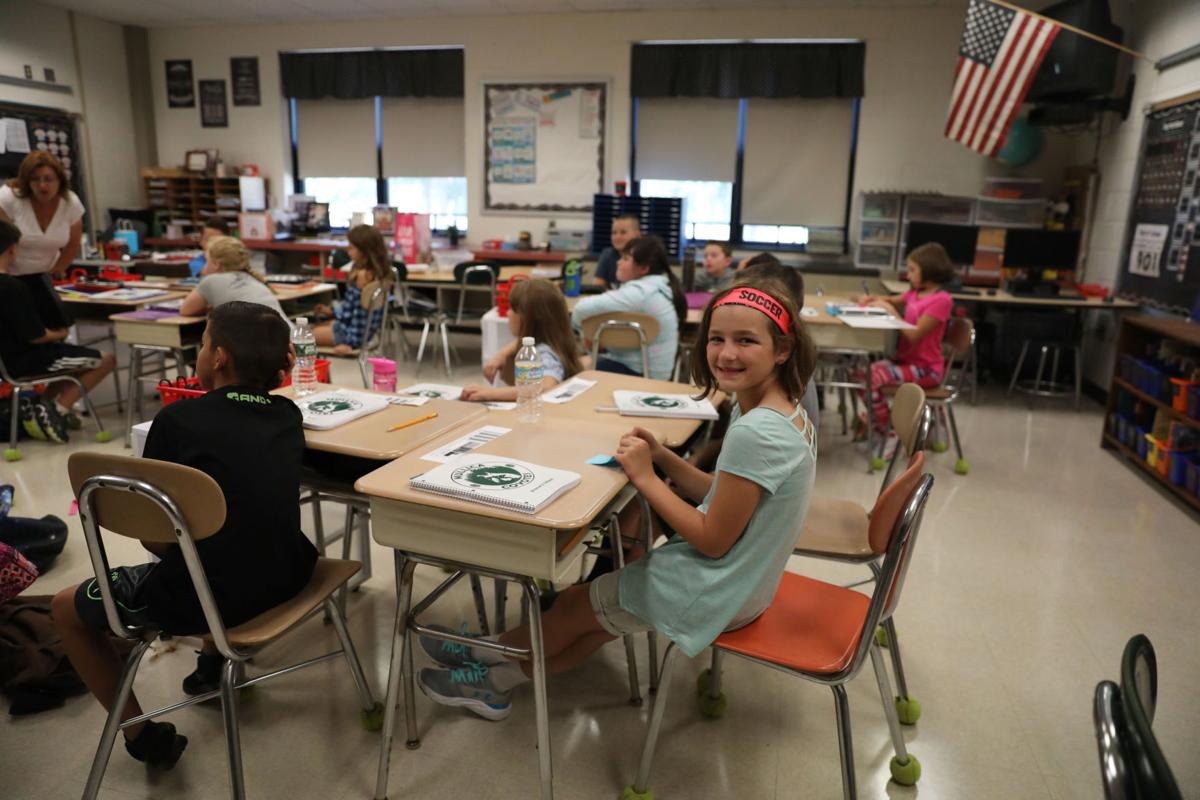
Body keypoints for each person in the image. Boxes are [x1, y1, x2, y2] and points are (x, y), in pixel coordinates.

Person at [415, 278, 817, 720]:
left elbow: (713, 539)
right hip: (745, 582)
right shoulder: (776, 410)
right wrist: (663, 456)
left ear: (782, 349)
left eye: (746, 341)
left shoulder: (756, 431)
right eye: (716, 339)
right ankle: (493, 674)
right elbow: (721, 493)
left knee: (572, 606)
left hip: (718, 587)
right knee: (595, 625)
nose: (726, 353)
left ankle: (485, 658)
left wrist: (646, 477)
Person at [50, 301, 317, 769]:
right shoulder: (287, 415)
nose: (201, 351)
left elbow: (156, 541)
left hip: (209, 599)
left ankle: (140, 736)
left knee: (64, 607)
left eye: (205, 343)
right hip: (288, 576)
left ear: (220, 357)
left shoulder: (177, 421)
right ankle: (210, 666)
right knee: (225, 545)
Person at [0, 219, 115, 443]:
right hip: (27, 360)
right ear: (13, 250)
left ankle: (41, 408)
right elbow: (36, 336)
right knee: (105, 360)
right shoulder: (13, 287)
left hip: (7, 362)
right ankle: (56, 411)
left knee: (74, 360)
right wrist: (61, 333)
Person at [855, 242, 955, 437]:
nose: (908, 275)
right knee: (860, 375)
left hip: (926, 368)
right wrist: (873, 299)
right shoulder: (914, 293)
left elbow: (913, 335)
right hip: (906, 362)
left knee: (870, 378)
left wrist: (892, 313)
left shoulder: (942, 300)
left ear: (929, 270)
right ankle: (885, 424)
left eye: (912, 270)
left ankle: (889, 430)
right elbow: (891, 300)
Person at [570, 235, 685, 380]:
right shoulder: (657, 288)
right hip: (650, 372)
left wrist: (583, 332)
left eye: (625, 259)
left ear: (643, 268)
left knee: (568, 368)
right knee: (578, 364)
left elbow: (580, 309)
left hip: (641, 374)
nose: (618, 262)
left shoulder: (640, 293)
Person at [0, 151, 83, 331]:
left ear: (60, 180)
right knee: (23, 334)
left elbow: (73, 244)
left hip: (45, 279)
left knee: (57, 329)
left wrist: (57, 271)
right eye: (35, 179)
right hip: (11, 280)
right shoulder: (8, 197)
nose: (42, 185)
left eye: (49, 179)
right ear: (26, 181)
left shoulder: (70, 202)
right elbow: (2, 244)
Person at [465, 279, 583, 403]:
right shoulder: (552, 341)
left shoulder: (543, 353)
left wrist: (490, 393)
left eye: (512, 309)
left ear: (527, 318)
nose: (508, 313)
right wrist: (502, 353)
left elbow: (546, 387)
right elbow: (525, 342)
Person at [311, 224, 393, 355]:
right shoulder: (379, 272)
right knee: (310, 329)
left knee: (301, 336)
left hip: (350, 335)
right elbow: (352, 311)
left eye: (352, 247)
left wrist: (350, 343)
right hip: (366, 333)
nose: (348, 251)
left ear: (364, 251)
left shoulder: (363, 276)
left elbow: (358, 316)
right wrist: (332, 312)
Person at [179, 236, 287, 321]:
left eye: (206, 261)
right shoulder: (252, 278)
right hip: (290, 338)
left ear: (216, 264)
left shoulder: (211, 280)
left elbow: (185, 310)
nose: (203, 267)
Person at [593, 214, 640, 289]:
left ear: (637, 235)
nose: (617, 237)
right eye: (614, 233)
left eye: (623, 232)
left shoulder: (645, 256)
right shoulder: (608, 255)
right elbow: (597, 287)